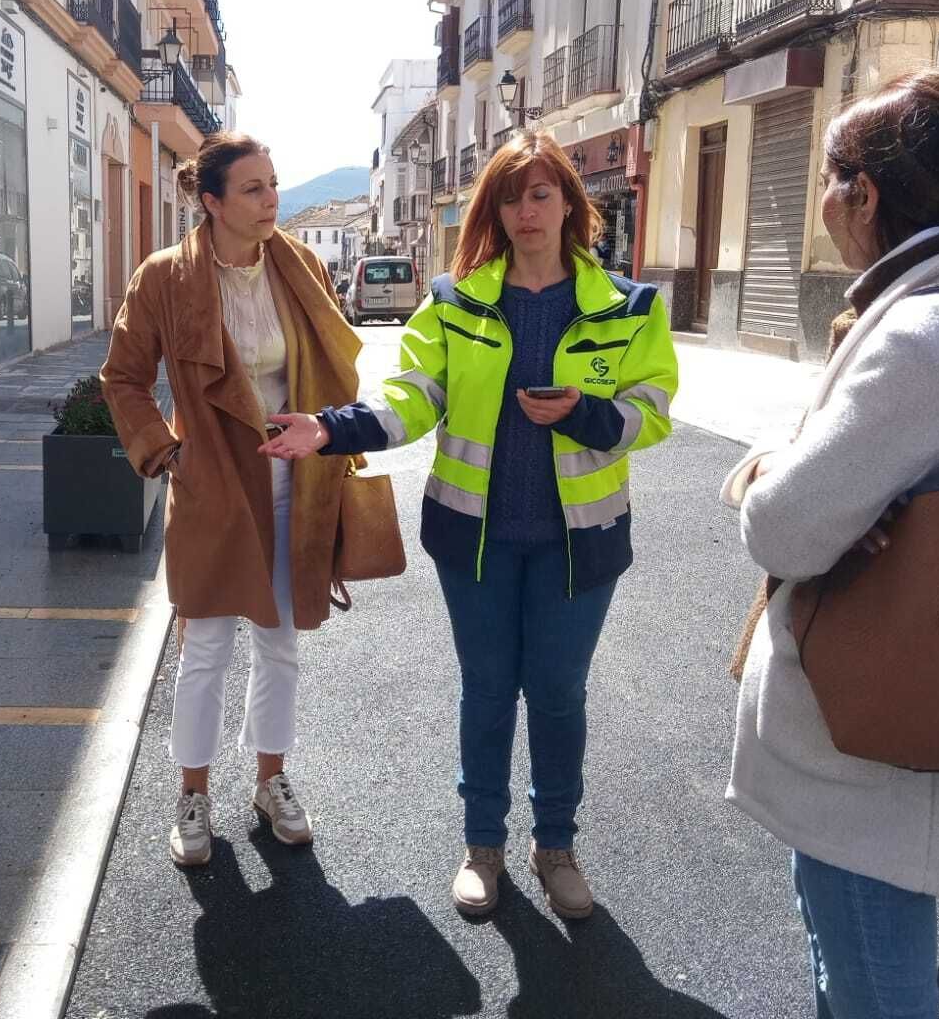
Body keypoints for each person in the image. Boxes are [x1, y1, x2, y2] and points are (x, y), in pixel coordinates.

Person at [262, 129, 677, 918]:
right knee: (488, 691)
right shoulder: (455, 302)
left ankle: (555, 844)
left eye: (542, 194)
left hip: (578, 543)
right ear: (495, 210)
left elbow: (651, 412)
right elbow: (412, 396)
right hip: (475, 539)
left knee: (557, 694)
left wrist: (587, 415)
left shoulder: (629, 307)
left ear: (569, 204)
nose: (527, 212)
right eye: (512, 198)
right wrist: (331, 428)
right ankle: (482, 844)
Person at [723, 69, 939, 1018]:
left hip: (879, 755)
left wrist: (767, 469)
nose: (822, 202)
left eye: (829, 178)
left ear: (863, 193)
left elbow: (782, 526)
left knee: (871, 977)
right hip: (928, 723)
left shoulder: (925, 333)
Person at [101, 132, 360, 867]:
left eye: (274, 184)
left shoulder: (301, 266)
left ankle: (271, 782)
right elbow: (122, 377)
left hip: (292, 479)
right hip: (212, 479)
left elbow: (333, 364)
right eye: (253, 188)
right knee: (206, 648)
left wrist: (330, 439)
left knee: (280, 643)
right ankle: (192, 795)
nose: (272, 199)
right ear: (211, 201)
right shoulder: (164, 279)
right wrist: (167, 452)